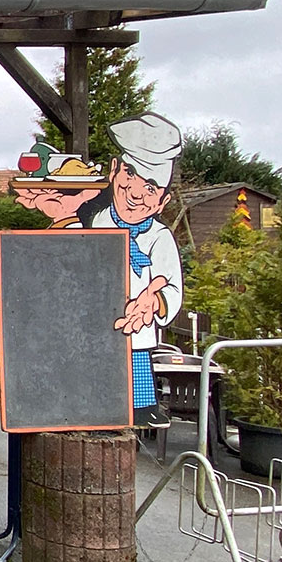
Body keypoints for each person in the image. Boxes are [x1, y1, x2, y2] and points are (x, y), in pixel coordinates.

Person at [90, 113, 183, 429]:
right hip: (95, 324)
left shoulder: (159, 237)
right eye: (130, 174)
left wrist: (152, 301)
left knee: (136, 367)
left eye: (151, 187)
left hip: (137, 331)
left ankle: (143, 407)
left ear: (162, 201)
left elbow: (171, 287)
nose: (136, 193)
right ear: (114, 170)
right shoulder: (95, 222)